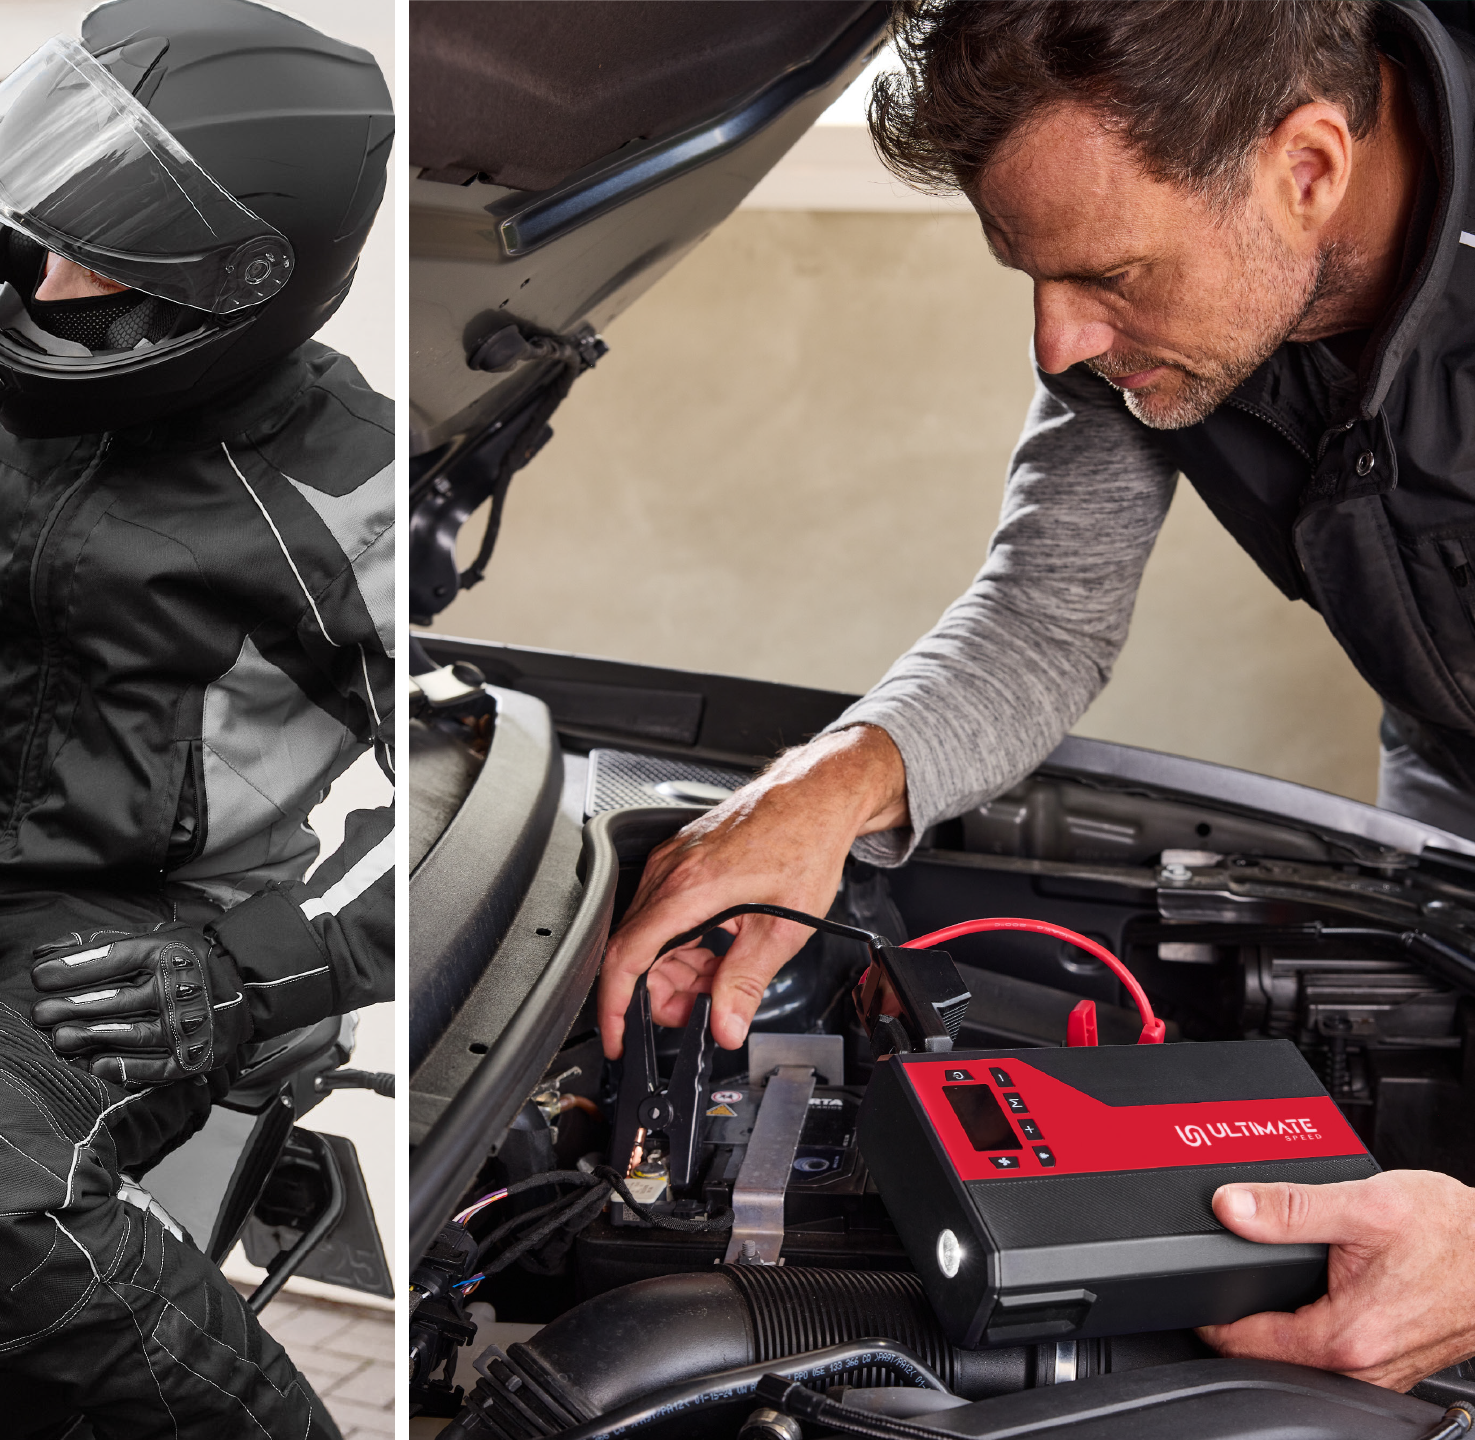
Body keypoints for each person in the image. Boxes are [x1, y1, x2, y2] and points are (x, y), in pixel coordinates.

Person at [600, 0, 1475, 1395]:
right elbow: (1043, 617)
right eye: (1030, 274)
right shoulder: (1146, 308)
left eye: (1110, 276)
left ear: (1306, 168)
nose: (1062, 340)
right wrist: (822, 790)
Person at [0, 2, 395, 1434]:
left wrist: (275, 967)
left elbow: (467, 776)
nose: (43, 274)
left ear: (234, 282)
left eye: (104, 254)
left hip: (146, 938)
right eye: (45, 228)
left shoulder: (358, 489)